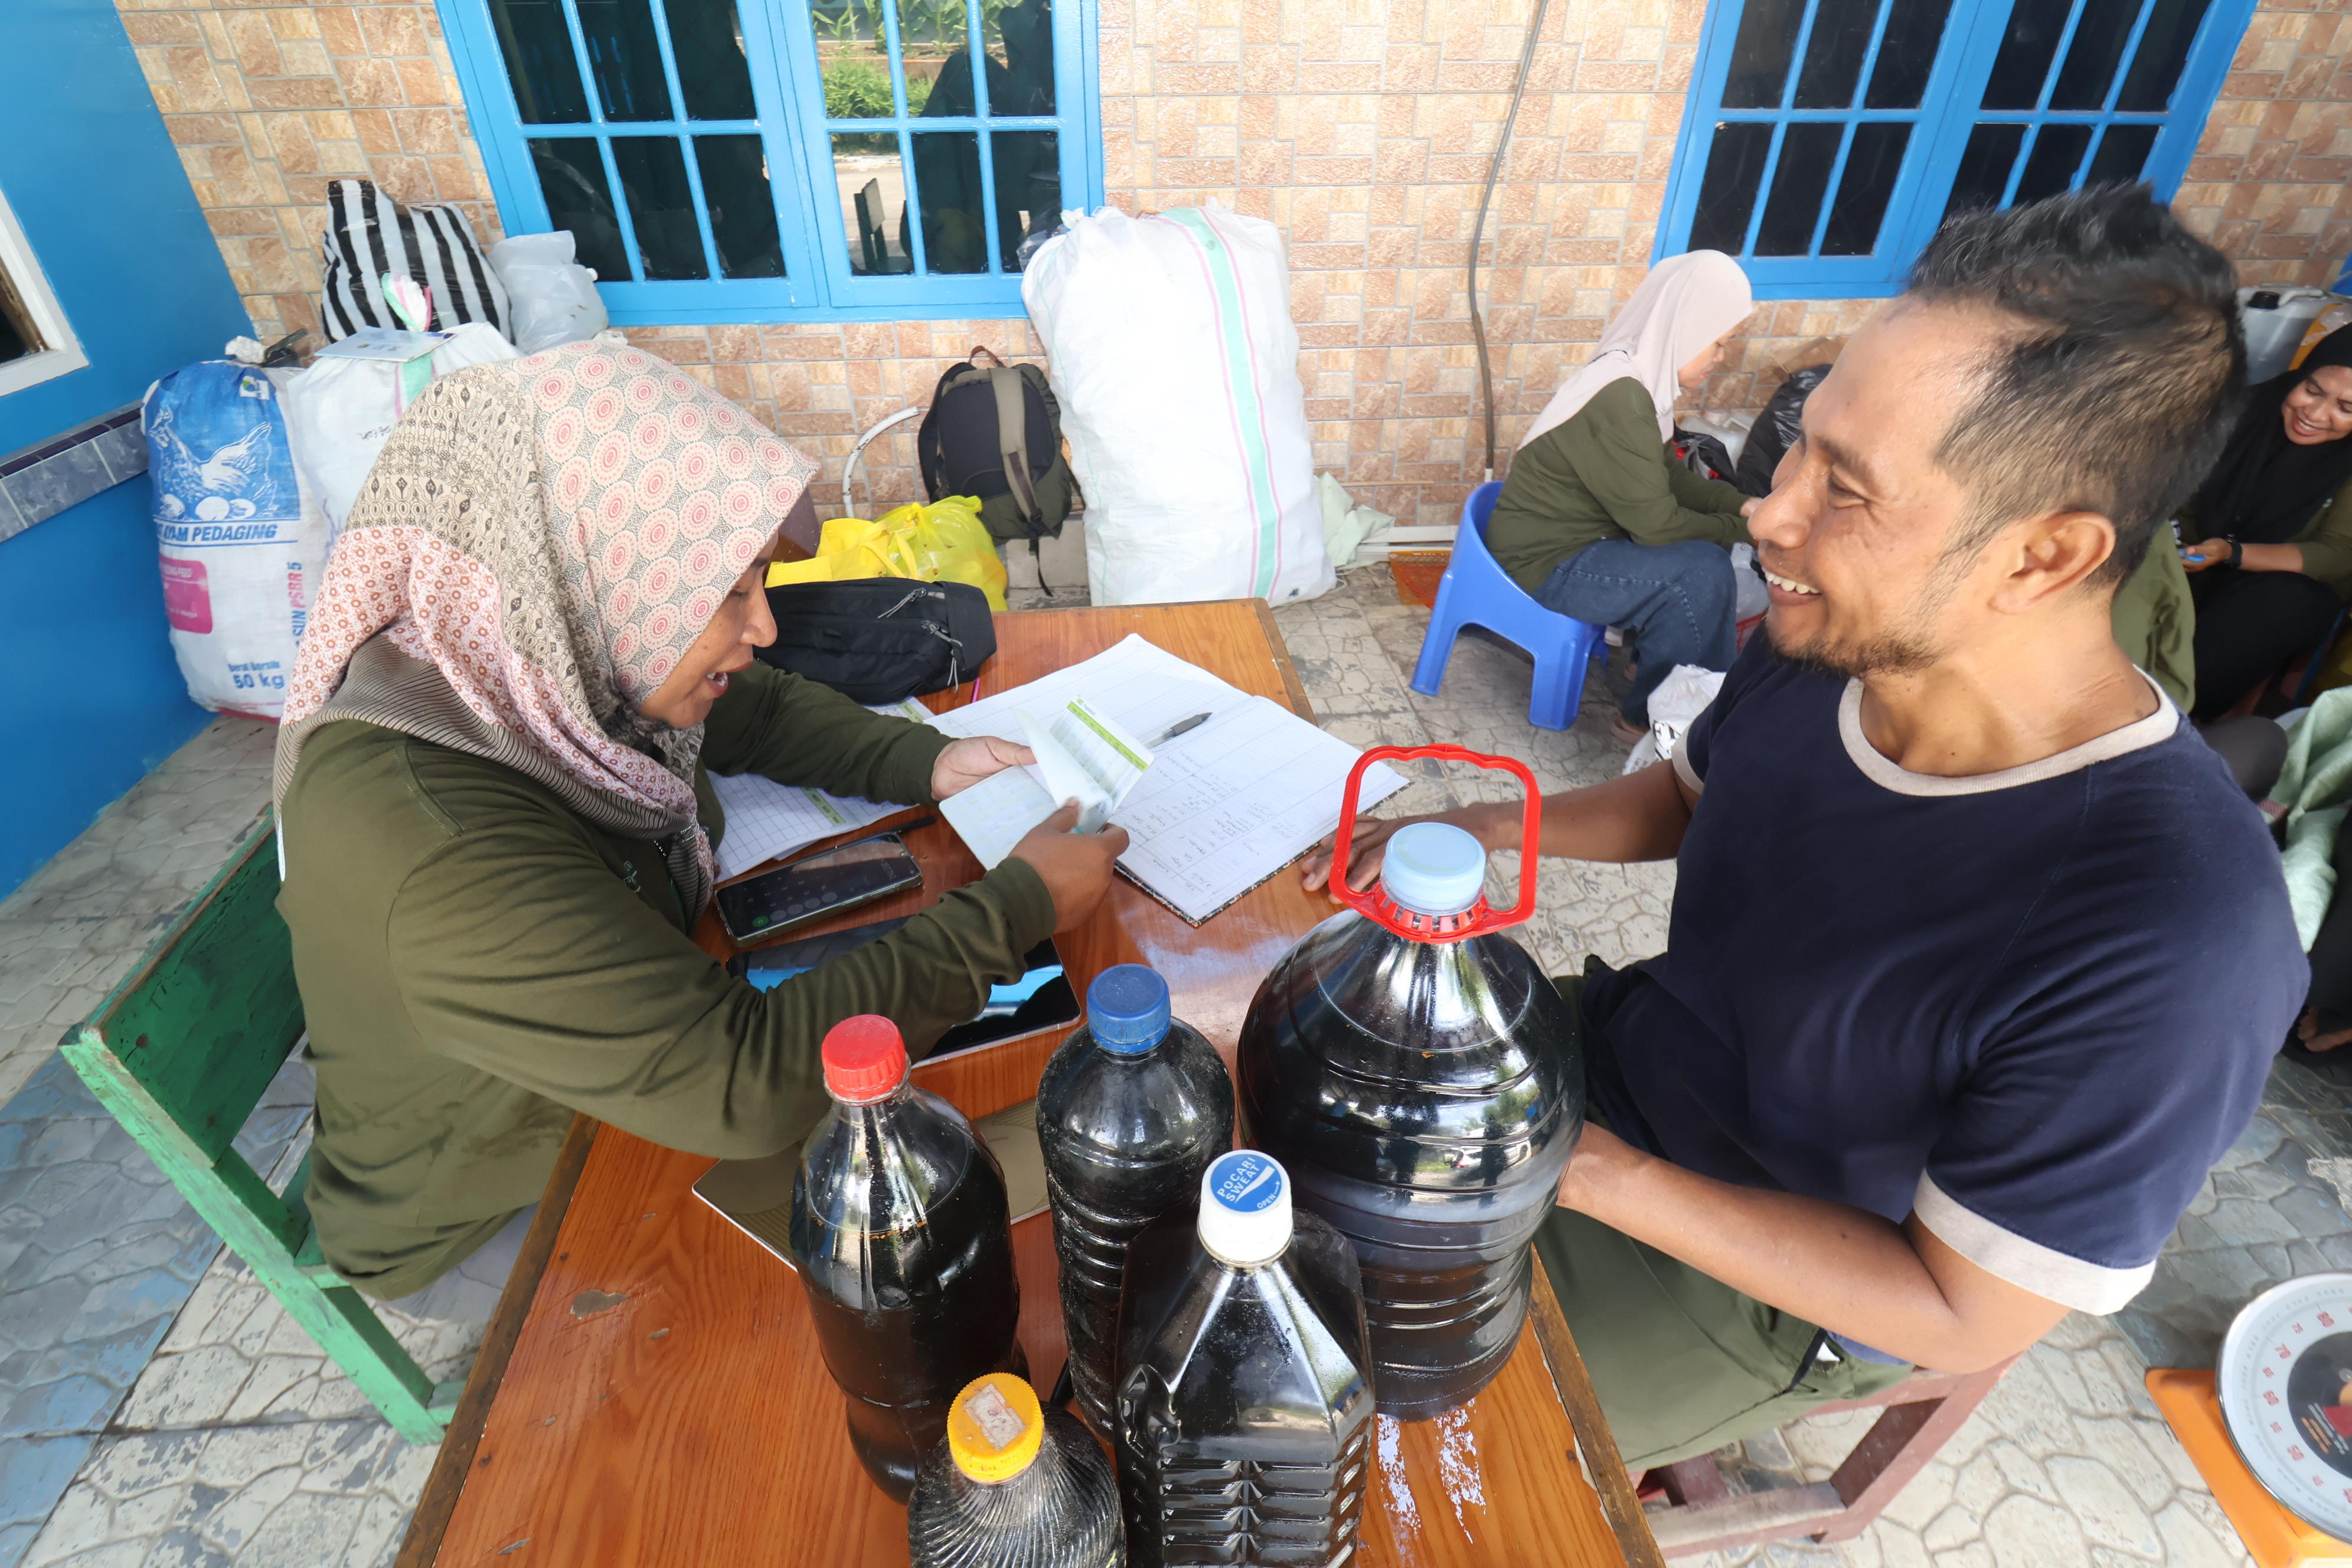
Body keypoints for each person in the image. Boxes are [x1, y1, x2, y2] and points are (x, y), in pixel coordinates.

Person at [1306, 187, 2304, 1466]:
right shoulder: (1832, 641)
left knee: (1357, 1435)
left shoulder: (2176, 934)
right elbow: (1691, 796)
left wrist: (1584, 1168)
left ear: (2044, 557)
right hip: (1615, 1063)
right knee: (1273, 1134)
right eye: (1800, 443)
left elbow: (1962, 1307)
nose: (1773, 513)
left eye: (1848, 486)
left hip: (1765, 1276)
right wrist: (1489, 824)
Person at [272, 344, 1126, 1300]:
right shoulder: (431, 844)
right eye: (728, 596)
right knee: (886, 1290)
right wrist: (1018, 906)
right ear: (588, 571)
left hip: (627, 1082)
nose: (760, 630)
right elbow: (743, 1082)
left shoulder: (533, 656)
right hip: (506, 1202)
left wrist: (925, 760)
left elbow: (745, 706)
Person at [1484, 251, 1755, 742]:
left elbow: (1670, 479)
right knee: (1698, 571)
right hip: (1545, 560)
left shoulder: (1637, 382)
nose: (1721, 357)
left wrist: (1739, 506)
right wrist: (1747, 529)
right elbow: (1658, 526)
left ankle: (1662, 662)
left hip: (1576, 540)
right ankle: (1650, 718)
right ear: (1685, 328)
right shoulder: (1623, 397)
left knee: (1703, 550)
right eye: (1718, 344)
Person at [2179, 326, 2352, 721]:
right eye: (2312, 390)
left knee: (2282, 604)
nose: (2315, 414)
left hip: (2281, 577)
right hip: (2196, 551)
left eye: (2347, 408)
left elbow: (2339, 554)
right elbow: (2184, 490)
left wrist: (2231, 553)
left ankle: (2176, 717)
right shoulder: (2246, 409)